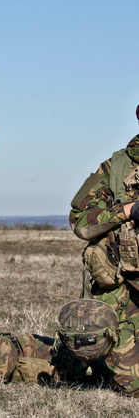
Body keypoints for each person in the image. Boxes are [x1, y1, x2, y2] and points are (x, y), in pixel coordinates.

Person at [69, 118, 139, 397]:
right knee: (130, 386)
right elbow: (80, 221)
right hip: (128, 291)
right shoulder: (117, 167)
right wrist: (127, 211)